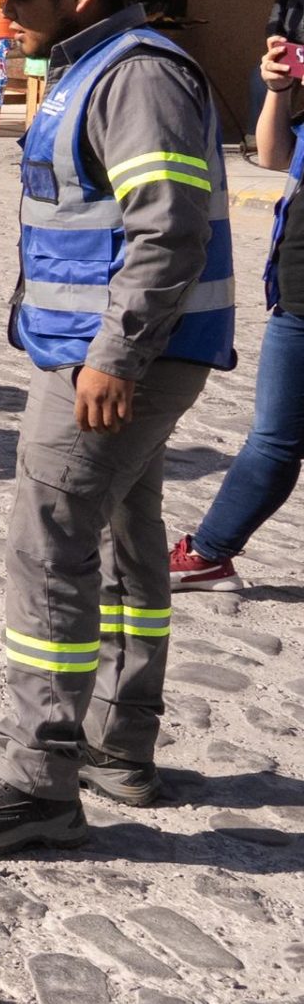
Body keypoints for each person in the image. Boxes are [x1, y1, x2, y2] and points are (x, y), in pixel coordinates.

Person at [0, 0, 234, 855]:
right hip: (106, 352)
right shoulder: (103, 66)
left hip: (115, 360)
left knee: (49, 549)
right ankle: (118, 743)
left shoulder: (135, 75)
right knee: (126, 540)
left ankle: (37, 780)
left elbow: (167, 226)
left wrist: (115, 356)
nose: (3, 16)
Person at [170, 30, 304, 590]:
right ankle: (210, 552)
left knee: (274, 439)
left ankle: (208, 551)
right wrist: (278, 90)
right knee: (274, 438)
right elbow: (274, 155)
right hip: (296, 294)